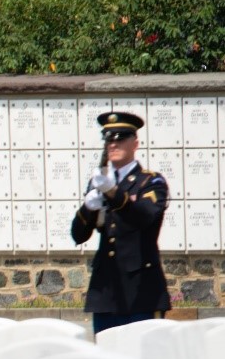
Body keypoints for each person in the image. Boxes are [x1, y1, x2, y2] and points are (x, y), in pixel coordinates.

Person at [70, 111, 170, 334]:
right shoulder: (99, 182)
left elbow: (144, 217)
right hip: (106, 292)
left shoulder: (150, 181)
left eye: (121, 138)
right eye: (108, 139)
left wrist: (113, 192)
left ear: (135, 143)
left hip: (142, 291)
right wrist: (89, 206)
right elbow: (78, 235)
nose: (113, 144)